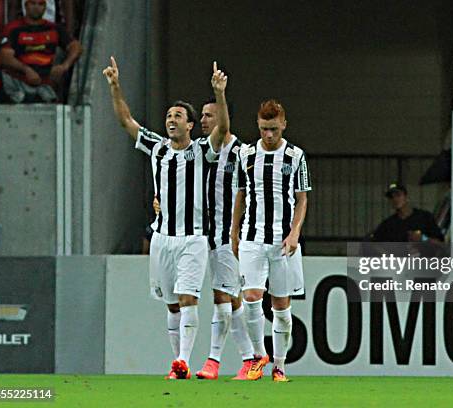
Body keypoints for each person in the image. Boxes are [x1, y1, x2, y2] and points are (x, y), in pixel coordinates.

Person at [103, 56, 228, 379]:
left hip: (193, 238)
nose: (171, 119)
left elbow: (223, 128)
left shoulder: (201, 150)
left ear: (190, 125)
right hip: (162, 238)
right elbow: (126, 121)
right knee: (172, 305)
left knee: (188, 299)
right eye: (169, 115)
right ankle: (178, 363)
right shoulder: (157, 147)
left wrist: (219, 93)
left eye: (179, 116)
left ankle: (184, 360)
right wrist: (115, 87)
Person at [155, 98, 255, 380]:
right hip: (199, 235)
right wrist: (159, 199)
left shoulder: (241, 151)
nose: (204, 122)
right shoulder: (200, 150)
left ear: (223, 117)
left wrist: (241, 233)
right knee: (228, 298)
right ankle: (251, 358)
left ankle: (215, 360)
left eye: (210, 116)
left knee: (226, 296)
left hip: (227, 235)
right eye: (203, 118)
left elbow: (249, 193)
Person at [231, 100, 311, 382]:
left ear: (284, 125)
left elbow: (302, 199)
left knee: (281, 305)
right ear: (258, 125)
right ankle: (257, 357)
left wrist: (295, 233)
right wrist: (234, 231)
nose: (269, 135)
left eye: (274, 129)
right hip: (252, 237)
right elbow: (240, 194)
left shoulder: (295, 155)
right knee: (251, 297)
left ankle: (280, 366)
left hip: (282, 241)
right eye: (264, 129)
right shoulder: (245, 154)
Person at [0, 0, 82, 103]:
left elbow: (76, 47)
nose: (36, 7)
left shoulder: (54, 28)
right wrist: (26, 70)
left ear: (45, 7)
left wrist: (64, 66)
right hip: (19, 81)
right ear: (26, 5)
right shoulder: (13, 28)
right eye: (33, 3)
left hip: (45, 82)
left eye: (40, 4)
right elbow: (5, 57)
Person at [370, 183, 444, 243]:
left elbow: (440, 244)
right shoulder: (388, 225)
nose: (395, 199)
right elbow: (373, 244)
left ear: (406, 197)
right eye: (391, 197)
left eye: (398, 195)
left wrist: (423, 238)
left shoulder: (424, 217)